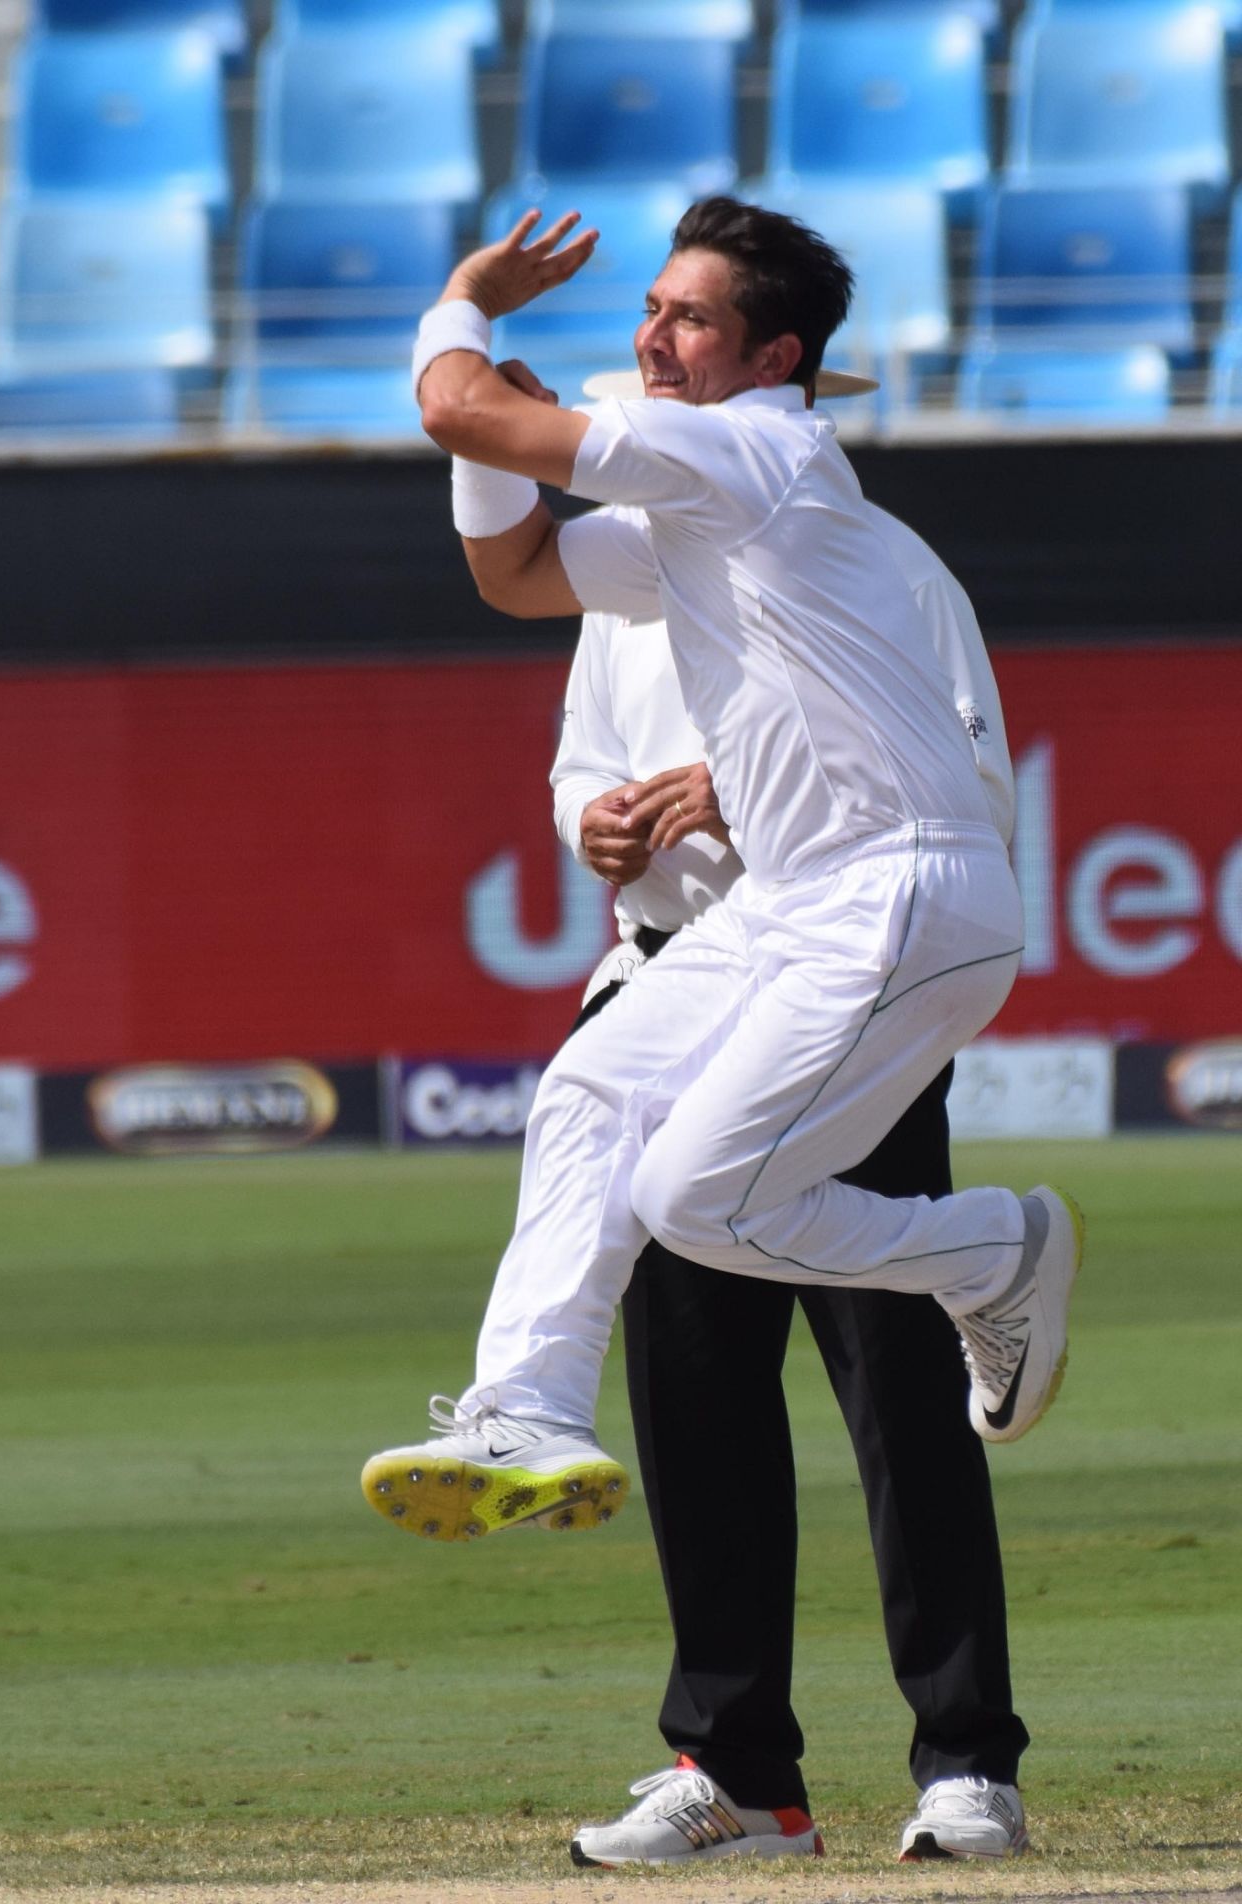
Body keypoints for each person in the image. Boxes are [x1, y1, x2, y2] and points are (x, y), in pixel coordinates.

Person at [362, 199, 1081, 1622]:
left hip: (899, 894)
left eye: (688, 318)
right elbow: (513, 572)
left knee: (697, 1202)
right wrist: (503, 416)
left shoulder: (754, 452)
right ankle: (527, 1410)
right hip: (795, 906)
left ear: (776, 359)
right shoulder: (710, 520)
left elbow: (457, 411)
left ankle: (997, 1249)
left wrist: (466, 303)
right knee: (588, 1097)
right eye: (654, 310)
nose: (652, 338)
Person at [550, 494, 1029, 1866]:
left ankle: (966, 1764)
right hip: (670, 999)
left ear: (781, 388)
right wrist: (597, 823)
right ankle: (741, 1777)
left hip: (838, 1000)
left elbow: (973, 791)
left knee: (898, 1386)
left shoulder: (883, 565)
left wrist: (752, 794)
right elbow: (582, 762)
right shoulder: (624, 576)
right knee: (695, 1400)